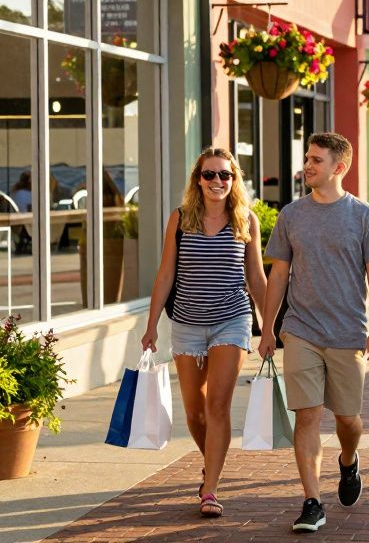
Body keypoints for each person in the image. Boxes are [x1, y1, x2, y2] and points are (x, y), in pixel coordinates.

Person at [257, 133, 369, 534]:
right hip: (300, 329)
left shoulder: (363, 214)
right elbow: (278, 274)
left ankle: (348, 461)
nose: (308, 166)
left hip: (348, 331)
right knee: (308, 415)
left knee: (348, 419)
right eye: (308, 159)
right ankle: (312, 501)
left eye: (316, 160)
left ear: (340, 167)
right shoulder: (291, 215)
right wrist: (269, 329)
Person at [142, 148, 267, 518]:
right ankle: (210, 462)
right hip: (186, 323)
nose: (217, 182)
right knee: (195, 413)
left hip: (232, 318)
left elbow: (256, 278)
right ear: (198, 179)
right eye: (209, 175)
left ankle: (210, 488)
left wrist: (271, 326)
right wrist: (151, 326)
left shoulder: (246, 220)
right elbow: (165, 274)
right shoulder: (180, 220)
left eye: (224, 175)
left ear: (234, 180)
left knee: (218, 406)